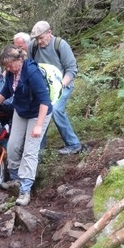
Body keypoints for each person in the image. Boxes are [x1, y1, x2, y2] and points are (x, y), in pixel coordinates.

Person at [0, 45, 52, 206]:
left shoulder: (32, 72)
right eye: (6, 66)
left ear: (19, 60)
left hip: (39, 113)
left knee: (30, 151)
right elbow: (6, 91)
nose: (8, 68)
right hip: (21, 111)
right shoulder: (11, 73)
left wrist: (38, 125)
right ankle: (16, 179)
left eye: (10, 65)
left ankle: (25, 190)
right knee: (13, 146)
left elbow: (45, 100)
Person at [29, 20, 82, 155]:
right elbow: (29, 67)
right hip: (42, 88)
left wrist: (62, 84)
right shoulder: (32, 47)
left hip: (62, 84)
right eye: (36, 39)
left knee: (56, 110)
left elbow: (72, 68)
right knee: (40, 113)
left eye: (41, 38)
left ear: (49, 33)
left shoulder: (60, 45)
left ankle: (73, 144)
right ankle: (39, 150)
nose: (39, 42)